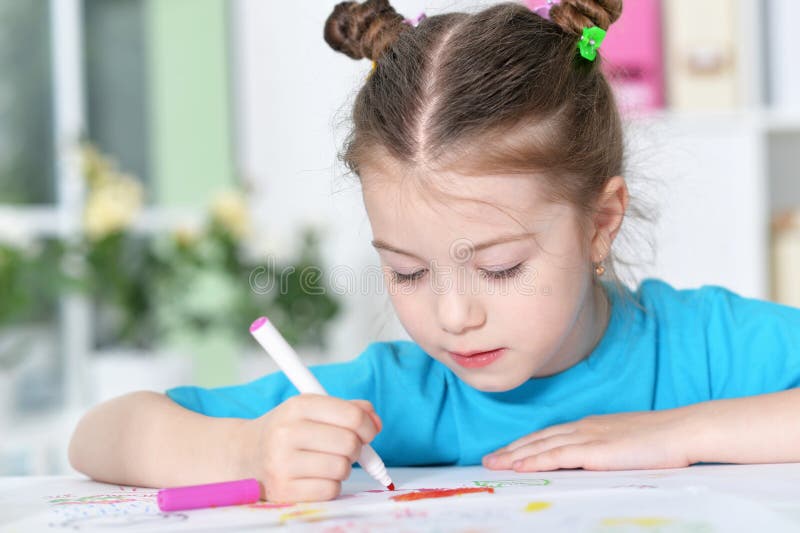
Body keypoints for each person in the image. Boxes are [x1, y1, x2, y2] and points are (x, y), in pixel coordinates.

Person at [69, 0, 800, 503]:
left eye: (499, 267)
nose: (452, 314)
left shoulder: (703, 350)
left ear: (600, 223)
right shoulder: (397, 398)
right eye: (407, 270)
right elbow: (100, 435)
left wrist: (682, 432)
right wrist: (244, 453)